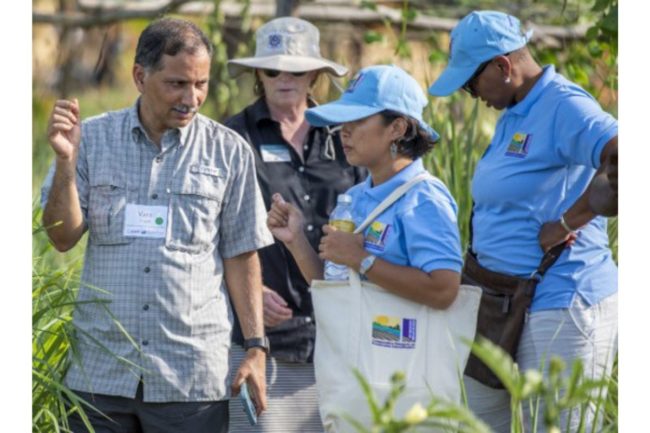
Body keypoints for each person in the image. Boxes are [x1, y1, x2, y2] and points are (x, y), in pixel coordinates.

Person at [40, 18, 274, 433]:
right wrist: (64, 162)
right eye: (178, 84)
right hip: (100, 373)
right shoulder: (90, 140)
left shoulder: (229, 152)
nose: (193, 97)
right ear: (139, 76)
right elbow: (61, 237)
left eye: (201, 83)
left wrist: (256, 347)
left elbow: (242, 255)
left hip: (190, 378)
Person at [428, 10, 618, 433]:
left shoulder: (564, 105)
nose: (468, 92)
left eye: (470, 81)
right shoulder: (517, 109)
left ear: (503, 66)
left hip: (562, 299)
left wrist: (569, 220)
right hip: (502, 299)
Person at [224, 17, 365, 432]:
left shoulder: (347, 137)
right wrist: (248, 293)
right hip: (263, 339)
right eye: (272, 69)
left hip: (340, 334)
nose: (285, 78)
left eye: (297, 70)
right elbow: (209, 231)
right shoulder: (231, 138)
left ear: (316, 74)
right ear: (257, 75)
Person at [268, 63, 463, 348]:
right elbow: (333, 285)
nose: (342, 132)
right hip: (358, 364)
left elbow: (444, 290)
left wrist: (362, 259)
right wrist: (296, 239)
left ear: (397, 127)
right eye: (342, 122)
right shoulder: (355, 198)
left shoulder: (424, 198)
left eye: (357, 120)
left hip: (403, 374)